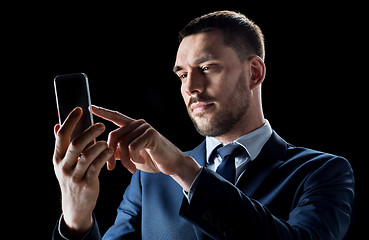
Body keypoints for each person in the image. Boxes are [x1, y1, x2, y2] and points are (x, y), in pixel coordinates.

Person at [52, 11, 355, 239]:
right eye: (182, 74)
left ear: (254, 72)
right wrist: (77, 219)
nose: (190, 88)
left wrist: (183, 169)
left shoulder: (321, 171)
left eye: (207, 68)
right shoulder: (149, 181)